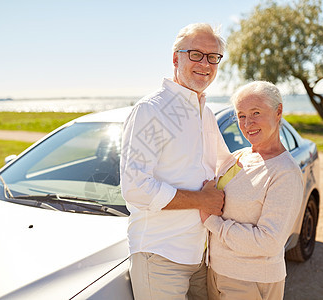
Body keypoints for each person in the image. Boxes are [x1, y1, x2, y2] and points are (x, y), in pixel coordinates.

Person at [120, 23, 231, 299]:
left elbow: (226, 165)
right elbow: (135, 188)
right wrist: (202, 200)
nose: (205, 63)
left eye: (212, 56)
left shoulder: (204, 112)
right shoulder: (151, 110)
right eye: (195, 54)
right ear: (175, 59)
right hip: (161, 256)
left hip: (201, 255)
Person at [201, 81, 303, 300]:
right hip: (217, 272)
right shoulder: (238, 157)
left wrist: (212, 222)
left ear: (278, 112)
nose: (248, 123)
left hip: (251, 282)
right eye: (241, 115)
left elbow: (269, 242)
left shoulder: (285, 173)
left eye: (256, 112)